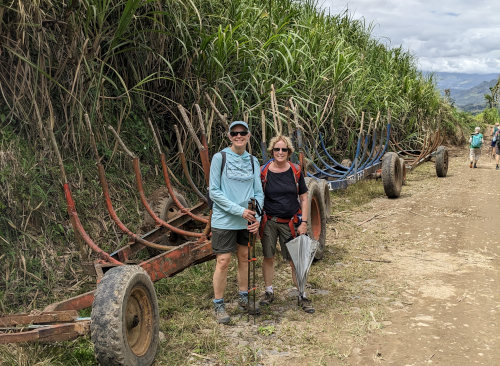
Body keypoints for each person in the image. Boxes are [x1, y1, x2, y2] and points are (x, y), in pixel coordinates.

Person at [209, 121, 264, 324]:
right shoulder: (219, 158)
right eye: (235, 133)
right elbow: (214, 191)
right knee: (223, 261)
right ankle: (219, 304)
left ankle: (243, 297)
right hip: (225, 219)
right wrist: (239, 211)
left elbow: (258, 192)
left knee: (244, 257)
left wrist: (256, 218)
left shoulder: (253, 161)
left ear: (248, 136)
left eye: (242, 133)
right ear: (229, 136)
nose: (238, 136)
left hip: (247, 219)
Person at [258, 135, 314, 313]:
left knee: (295, 260)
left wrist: (304, 222)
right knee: (268, 256)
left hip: (290, 222)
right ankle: (268, 291)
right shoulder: (263, 172)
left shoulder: (296, 171)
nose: (280, 153)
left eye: (284, 150)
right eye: (277, 149)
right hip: (269, 221)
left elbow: (304, 198)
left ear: (289, 152)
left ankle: (302, 294)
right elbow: (257, 196)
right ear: (272, 152)